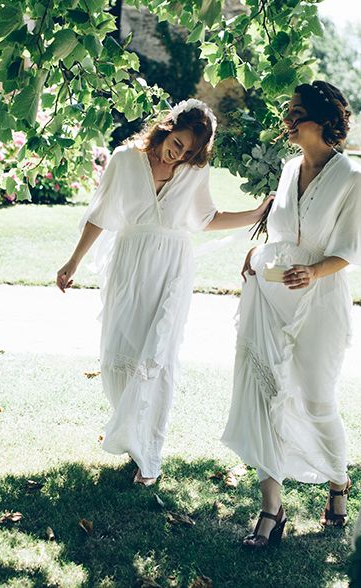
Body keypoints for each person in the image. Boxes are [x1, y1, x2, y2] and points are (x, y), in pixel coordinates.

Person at [56, 99, 272, 486]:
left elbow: (207, 218)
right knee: (116, 358)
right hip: (130, 264)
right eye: (179, 144)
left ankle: (149, 455)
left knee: (158, 357)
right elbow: (100, 215)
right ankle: (131, 434)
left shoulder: (193, 172)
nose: (180, 154)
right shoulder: (124, 160)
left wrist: (256, 213)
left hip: (172, 267)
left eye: (189, 151)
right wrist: (72, 262)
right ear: (168, 126)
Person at [221, 81, 361, 549]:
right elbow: (284, 234)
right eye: (289, 110)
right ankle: (271, 509)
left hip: (320, 301)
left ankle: (338, 482)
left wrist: (313, 272)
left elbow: (348, 251)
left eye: (298, 112)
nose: (289, 119)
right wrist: (257, 257)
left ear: (326, 120)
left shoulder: (352, 179)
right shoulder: (288, 169)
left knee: (317, 399)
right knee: (264, 393)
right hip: (271, 297)